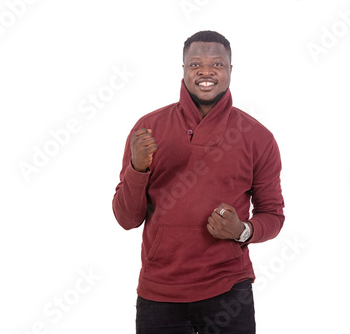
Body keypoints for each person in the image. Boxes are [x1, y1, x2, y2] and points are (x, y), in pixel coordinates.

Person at [112, 30, 285, 334]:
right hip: (159, 294)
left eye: (217, 64)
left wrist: (243, 231)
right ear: (183, 69)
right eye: (195, 65)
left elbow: (273, 214)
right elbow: (127, 219)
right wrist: (137, 169)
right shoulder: (149, 128)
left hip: (229, 289)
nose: (206, 72)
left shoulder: (258, 137)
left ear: (230, 69)